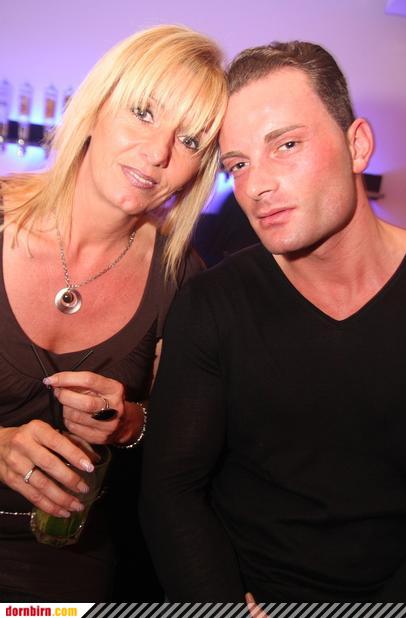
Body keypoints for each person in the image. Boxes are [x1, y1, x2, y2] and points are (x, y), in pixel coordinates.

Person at [140, 40, 406, 601]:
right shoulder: (213, 302)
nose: (257, 186)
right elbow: (171, 490)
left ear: (357, 145)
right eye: (238, 165)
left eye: (286, 145)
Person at [0, 24, 227, 601]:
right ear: (96, 106)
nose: (158, 154)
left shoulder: (183, 281)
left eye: (191, 141)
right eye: (144, 113)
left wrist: (130, 423)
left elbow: (189, 445)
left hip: (60, 566)